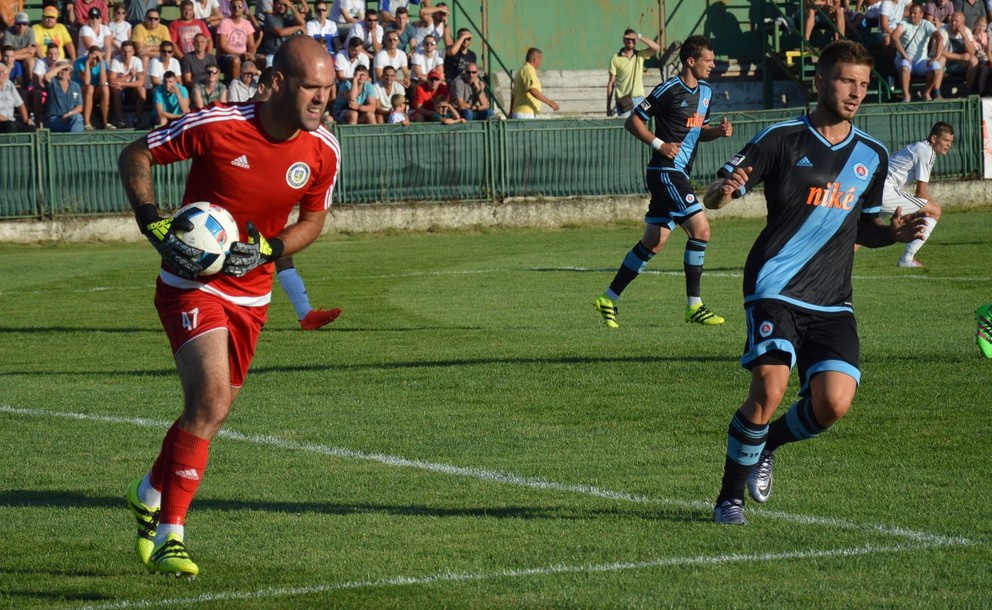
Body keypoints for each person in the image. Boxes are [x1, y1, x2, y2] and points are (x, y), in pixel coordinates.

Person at [118, 35, 341, 577]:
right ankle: (171, 535)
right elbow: (136, 152)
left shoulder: (323, 150)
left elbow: (313, 220)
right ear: (277, 83)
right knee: (212, 400)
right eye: (311, 87)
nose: (322, 99)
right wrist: (151, 219)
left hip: (254, 294)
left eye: (329, 88)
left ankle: (148, 491)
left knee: (209, 411)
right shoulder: (218, 124)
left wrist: (271, 249)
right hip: (190, 283)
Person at [701, 40, 927, 526]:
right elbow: (716, 195)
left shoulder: (872, 154)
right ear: (821, 82)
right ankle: (728, 501)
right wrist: (723, 190)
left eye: (863, 84)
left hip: (832, 299)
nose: (857, 92)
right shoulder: (780, 138)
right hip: (775, 284)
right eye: (847, 81)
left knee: (833, 404)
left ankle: (767, 445)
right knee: (769, 388)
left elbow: (862, 228)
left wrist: (892, 235)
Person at [593, 36, 731, 329]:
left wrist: (717, 132)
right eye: (708, 60)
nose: (712, 65)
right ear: (691, 61)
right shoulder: (669, 89)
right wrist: (659, 144)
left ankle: (608, 297)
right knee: (701, 230)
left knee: (654, 242)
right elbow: (633, 121)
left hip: (678, 173)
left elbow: (699, 130)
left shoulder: (706, 92)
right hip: (665, 171)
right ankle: (694, 306)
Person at [881, 122, 954, 267]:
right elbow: (921, 192)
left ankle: (838, 265)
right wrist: (933, 205)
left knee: (863, 233)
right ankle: (907, 258)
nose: (949, 145)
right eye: (945, 140)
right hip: (885, 189)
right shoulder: (926, 151)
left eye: (951, 142)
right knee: (935, 210)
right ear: (934, 138)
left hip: (876, 188)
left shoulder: (921, 148)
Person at [606, 29, 660, 118]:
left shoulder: (640, 55)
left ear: (636, 41)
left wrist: (639, 37)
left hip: (639, 98)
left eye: (632, 39)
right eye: (628, 39)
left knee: (641, 122)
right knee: (625, 124)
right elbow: (611, 83)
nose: (630, 41)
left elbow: (656, 48)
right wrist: (608, 107)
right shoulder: (615, 58)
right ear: (624, 40)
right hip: (623, 100)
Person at [890, 3, 939, 101]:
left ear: (921, 14)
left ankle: (926, 92)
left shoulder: (927, 24)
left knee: (936, 66)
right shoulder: (904, 23)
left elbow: (940, 38)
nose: (912, 15)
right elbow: (894, 36)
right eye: (911, 13)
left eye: (915, 13)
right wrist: (904, 55)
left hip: (921, 61)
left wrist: (936, 57)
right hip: (906, 60)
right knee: (904, 64)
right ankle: (906, 95)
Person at [926, 10, 978, 99]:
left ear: (962, 23)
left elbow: (972, 52)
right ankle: (936, 92)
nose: (953, 23)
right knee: (941, 59)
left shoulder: (966, 31)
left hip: (958, 64)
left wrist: (964, 35)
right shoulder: (943, 30)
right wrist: (960, 56)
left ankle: (969, 91)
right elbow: (940, 51)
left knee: (974, 60)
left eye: (956, 21)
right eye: (952, 21)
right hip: (944, 63)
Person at [510, 47, 558, 118]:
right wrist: (550, 102)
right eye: (540, 59)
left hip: (522, 112)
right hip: (525, 113)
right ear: (535, 59)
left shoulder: (522, 70)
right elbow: (532, 89)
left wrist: (510, 112)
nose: (540, 63)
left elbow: (513, 93)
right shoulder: (528, 69)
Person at [73, 45, 111, 130]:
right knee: (89, 87)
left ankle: (105, 122)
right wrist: (87, 63)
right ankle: (87, 122)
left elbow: (103, 82)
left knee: (105, 88)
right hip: (80, 90)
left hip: (94, 90)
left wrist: (101, 62)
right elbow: (86, 82)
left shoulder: (102, 63)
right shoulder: (79, 62)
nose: (94, 61)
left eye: (97, 58)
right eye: (93, 58)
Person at [216, 0, 257, 79]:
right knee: (236, 60)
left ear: (243, 8)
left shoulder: (247, 23)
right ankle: (235, 84)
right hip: (227, 56)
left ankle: (255, 84)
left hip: (244, 55)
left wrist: (250, 54)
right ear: (230, 8)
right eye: (234, 7)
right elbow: (223, 46)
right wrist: (239, 55)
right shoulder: (224, 23)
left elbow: (252, 45)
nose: (237, 9)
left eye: (239, 7)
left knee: (261, 59)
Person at [109, 39, 145, 126]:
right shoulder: (115, 61)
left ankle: (138, 119)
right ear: (121, 51)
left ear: (133, 52)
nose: (127, 54)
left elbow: (140, 82)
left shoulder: (137, 61)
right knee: (117, 90)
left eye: (129, 51)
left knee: (142, 90)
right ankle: (120, 119)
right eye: (124, 52)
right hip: (120, 89)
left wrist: (122, 83)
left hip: (131, 89)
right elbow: (112, 81)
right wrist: (128, 76)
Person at [259, 0, 306, 65]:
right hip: (273, 54)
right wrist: (298, 27)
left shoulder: (289, 18)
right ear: (274, 4)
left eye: (285, 5)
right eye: (279, 4)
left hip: (288, 53)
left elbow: (302, 23)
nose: (282, 7)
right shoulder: (269, 17)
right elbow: (280, 32)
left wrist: (291, 6)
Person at [44, 60, 84, 131]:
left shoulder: (75, 86)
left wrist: (69, 114)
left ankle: (74, 138)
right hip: (55, 119)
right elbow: (47, 76)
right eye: (60, 69)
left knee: (78, 117)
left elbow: (79, 106)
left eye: (65, 70)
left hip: (70, 118)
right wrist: (64, 66)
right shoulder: (53, 82)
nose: (63, 72)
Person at [132, 9, 171, 76]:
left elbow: (167, 48)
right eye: (150, 18)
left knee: (166, 55)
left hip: (160, 55)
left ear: (159, 20)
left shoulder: (164, 28)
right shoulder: (139, 28)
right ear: (145, 18)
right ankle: (142, 81)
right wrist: (159, 51)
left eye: (156, 19)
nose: (153, 21)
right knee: (145, 58)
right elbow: (140, 50)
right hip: (148, 56)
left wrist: (150, 48)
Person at [0, 60, 34, 131]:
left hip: (11, 122)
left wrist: (26, 121)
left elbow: (20, 105)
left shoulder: (9, 84)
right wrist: (8, 121)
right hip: (3, 123)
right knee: (11, 126)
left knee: (31, 128)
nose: (1, 74)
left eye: (3, 72)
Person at [5, 12, 37, 86]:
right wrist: (26, 50)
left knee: (30, 61)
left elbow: (31, 52)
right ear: (15, 24)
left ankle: (31, 83)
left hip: (22, 57)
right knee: (9, 60)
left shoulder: (30, 31)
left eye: (24, 24)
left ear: (27, 24)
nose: (21, 26)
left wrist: (14, 56)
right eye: (19, 24)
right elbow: (7, 51)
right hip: (12, 57)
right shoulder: (8, 31)